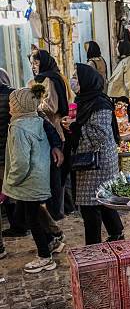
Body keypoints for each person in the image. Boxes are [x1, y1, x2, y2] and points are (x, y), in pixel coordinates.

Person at [62, 64, 124, 245]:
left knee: (91, 206)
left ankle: (93, 246)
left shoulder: (99, 103)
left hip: (99, 162)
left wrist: (74, 127)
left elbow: (99, 134)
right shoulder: (84, 100)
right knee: (101, 201)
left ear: (87, 81)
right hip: (91, 161)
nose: (73, 80)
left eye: (76, 77)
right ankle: (116, 234)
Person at [3, 86, 58, 273]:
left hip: (27, 181)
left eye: (11, 103)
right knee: (35, 215)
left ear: (19, 106)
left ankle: (44, 257)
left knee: (32, 219)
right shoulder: (36, 120)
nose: (9, 107)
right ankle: (51, 242)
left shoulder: (18, 127)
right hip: (39, 177)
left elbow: (20, 162)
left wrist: (10, 183)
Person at [30, 50, 69, 221]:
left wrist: (32, 105)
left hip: (53, 129)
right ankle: (63, 208)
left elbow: (51, 106)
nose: (33, 66)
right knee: (57, 173)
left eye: (36, 63)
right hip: (50, 129)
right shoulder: (49, 77)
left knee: (55, 173)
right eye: (32, 63)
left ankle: (56, 211)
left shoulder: (49, 80)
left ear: (43, 62)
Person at [107, 40, 130, 121]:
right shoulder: (125, 60)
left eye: (117, 47)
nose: (116, 49)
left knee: (125, 118)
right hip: (120, 95)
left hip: (125, 96)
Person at [0, 69, 12, 258]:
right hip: (8, 153)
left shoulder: (11, 96)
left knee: (23, 197)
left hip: (8, 154)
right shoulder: (11, 94)